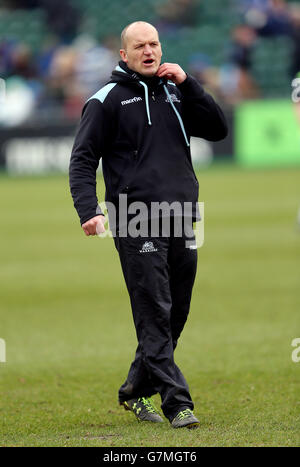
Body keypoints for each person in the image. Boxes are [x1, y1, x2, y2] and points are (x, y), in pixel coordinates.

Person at [69, 21, 228, 429]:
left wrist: (190, 84)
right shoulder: (105, 101)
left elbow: (217, 129)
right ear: (124, 55)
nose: (148, 50)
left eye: (154, 43)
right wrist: (89, 210)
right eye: (139, 46)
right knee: (154, 312)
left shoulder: (176, 91)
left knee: (176, 312)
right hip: (134, 217)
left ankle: (135, 391)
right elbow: (82, 160)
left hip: (184, 215)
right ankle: (177, 404)